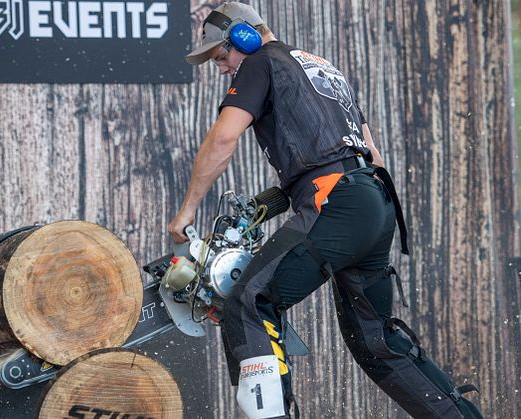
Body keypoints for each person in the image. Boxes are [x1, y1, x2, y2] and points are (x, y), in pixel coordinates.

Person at [167, 3, 484, 418]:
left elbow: (223, 140)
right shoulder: (321, 68)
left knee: (249, 300)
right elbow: (369, 155)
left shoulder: (260, 62)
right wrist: (278, 201)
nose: (223, 68)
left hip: (337, 201)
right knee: (376, 341)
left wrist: (186, 210)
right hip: (375, 200)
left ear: (244, 37)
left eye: (221, 55)